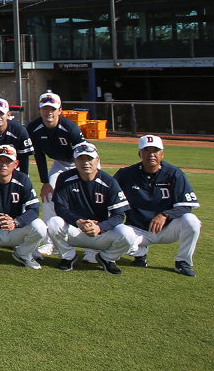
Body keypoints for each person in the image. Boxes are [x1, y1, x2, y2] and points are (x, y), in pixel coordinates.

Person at [114, 135, 201, 277]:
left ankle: (183, 262)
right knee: (115, 236)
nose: (151, 154)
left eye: (155, 150)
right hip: (137, 229)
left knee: (192, 221)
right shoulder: (126, 174)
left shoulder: (174, 174)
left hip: (167, 228)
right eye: (146, 150)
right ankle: (140, 252)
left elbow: (186, 206)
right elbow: (110, 197)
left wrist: (165, 215)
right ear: (139, 153)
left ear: (162, 154)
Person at [47, 142, 136, 274]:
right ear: (74, 161)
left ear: (97, 160)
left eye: (89, 158)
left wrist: (99, 227)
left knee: (128, 233)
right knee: (54, 222)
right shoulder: (64, 178)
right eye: (81, 159)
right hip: (76, 229)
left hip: (100, 233)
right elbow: (60, 208)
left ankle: (107, 258)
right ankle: (68, 256)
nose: (85, 163)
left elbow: (119, 215)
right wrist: (78, 221)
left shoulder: (109, 182)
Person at [27, 91, 87, 240]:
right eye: (45, 108)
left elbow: (82, 154)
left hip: (83, 163)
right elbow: (39, 156)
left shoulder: (71, 128)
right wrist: (45, 182)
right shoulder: (33, 128)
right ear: (39, 109)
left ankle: (91, 239)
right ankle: (49, 241)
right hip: (60, 163)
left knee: (86, 197)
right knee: (48, 196)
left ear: (60, 110)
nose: (49, 112)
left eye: (52, 109)